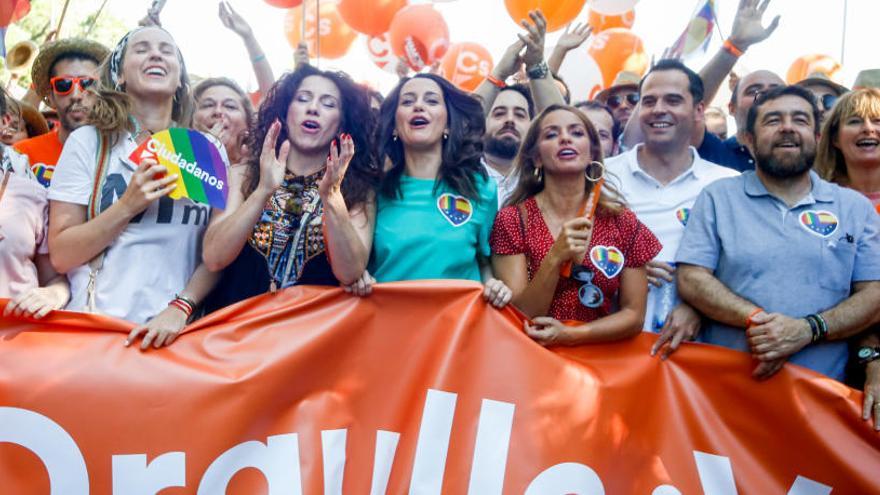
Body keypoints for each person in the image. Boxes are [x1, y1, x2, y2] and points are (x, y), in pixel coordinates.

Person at [676, 85, 880, 383]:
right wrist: (763, 324)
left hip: (824, 401)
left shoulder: (854, 207)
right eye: (772, 121)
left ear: (818, 137)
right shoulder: (717, 198)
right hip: (723, 398)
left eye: (800, 120)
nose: (787, 128)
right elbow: (691, 278)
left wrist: (806, 330)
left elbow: (874, 294)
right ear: (747, 140)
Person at [48, 26, 224, 349]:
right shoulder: (89, 142)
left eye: (167, 50)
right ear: (119, 75)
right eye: (141, 49)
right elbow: (61, 254)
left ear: (181, 80)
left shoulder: (205, 149)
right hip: (98, 333)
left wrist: (181, 306)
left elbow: (218, 254)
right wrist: (127, 206)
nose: (156, 53)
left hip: (177, 336)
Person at [202, 64, 379, 309]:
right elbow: (213, 257)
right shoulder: (244, 173)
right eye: (303, 99)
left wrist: (332, 197)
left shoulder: (358, 189)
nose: (313, 108)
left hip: (306, 339)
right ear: (286, 113)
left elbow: (350, 272)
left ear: (341, 124)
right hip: (234, 335)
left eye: (328, 104)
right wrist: (263, 191)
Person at [491, 104, 660, 344]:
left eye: (576, 133)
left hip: (597, 366)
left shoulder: (623, 222)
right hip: (530, 358)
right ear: (536, 157)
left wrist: (569, 335)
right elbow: (519, 316)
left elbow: (633, 316)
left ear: (592, 152)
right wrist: (555, 256)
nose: (565, 139)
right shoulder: (512, 220)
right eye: (551, 134)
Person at [605, 60, 738, 358]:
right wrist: (621, 268)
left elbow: (747, 269)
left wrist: (700, 307)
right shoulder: (602, 177)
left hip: (696, 359)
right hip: (612, 352)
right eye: (649, 101)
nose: (658, 109)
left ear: (698, 111)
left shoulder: (728, 184)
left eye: (673, 100)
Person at [369, 73, 511, 307]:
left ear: (447, 124)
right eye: (407, 101)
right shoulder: (374, 191)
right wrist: (359, 277)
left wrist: (493, 284)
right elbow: (357, 263)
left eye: (432, 101)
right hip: (390, 328)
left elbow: (485, 261)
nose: (418, 106)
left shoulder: (481, 189)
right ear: (394, 126)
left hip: (456, 334)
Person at [814, 88, 880, 429]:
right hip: (826, 358)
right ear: (835, 138)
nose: (869, 129)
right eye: (856, 121)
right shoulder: (812, 199)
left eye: (877, 121)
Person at [0, 89, 70, 319]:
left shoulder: (33, 195)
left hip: (16, 342)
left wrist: (53, 295)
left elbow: (55, 279)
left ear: (4, 122)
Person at [14, 38, 109, 187]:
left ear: (102, 93)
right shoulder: (21, 155)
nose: (77, 95)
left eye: (88, 83)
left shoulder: (117, 159)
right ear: (50, 97)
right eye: (63, 84)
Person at [483, 83, 533, 206]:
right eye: (499, 113)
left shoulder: (542, 181)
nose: (510, 120)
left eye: (520, 115)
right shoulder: (459, 172)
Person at [191, 77, 253, 167]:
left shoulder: (263, 170)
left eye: (230, 106)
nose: (218, 111)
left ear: (248, 123)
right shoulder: (169, 156)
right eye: (208, 105)